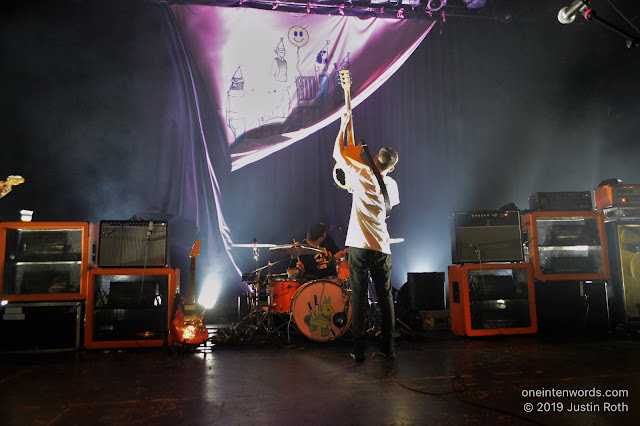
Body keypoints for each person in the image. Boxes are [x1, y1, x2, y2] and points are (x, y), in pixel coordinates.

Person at [333, 111, 400, 362]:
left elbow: (338, 154)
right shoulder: (391, 185)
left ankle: (359, 350)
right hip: (382, 247)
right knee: (385, 299)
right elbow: (387, 214)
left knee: (359, 298)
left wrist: (343, 126)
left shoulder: (361, 175)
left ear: (374, 158)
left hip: (360, 246)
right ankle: (388, 348)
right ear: (391, 167)